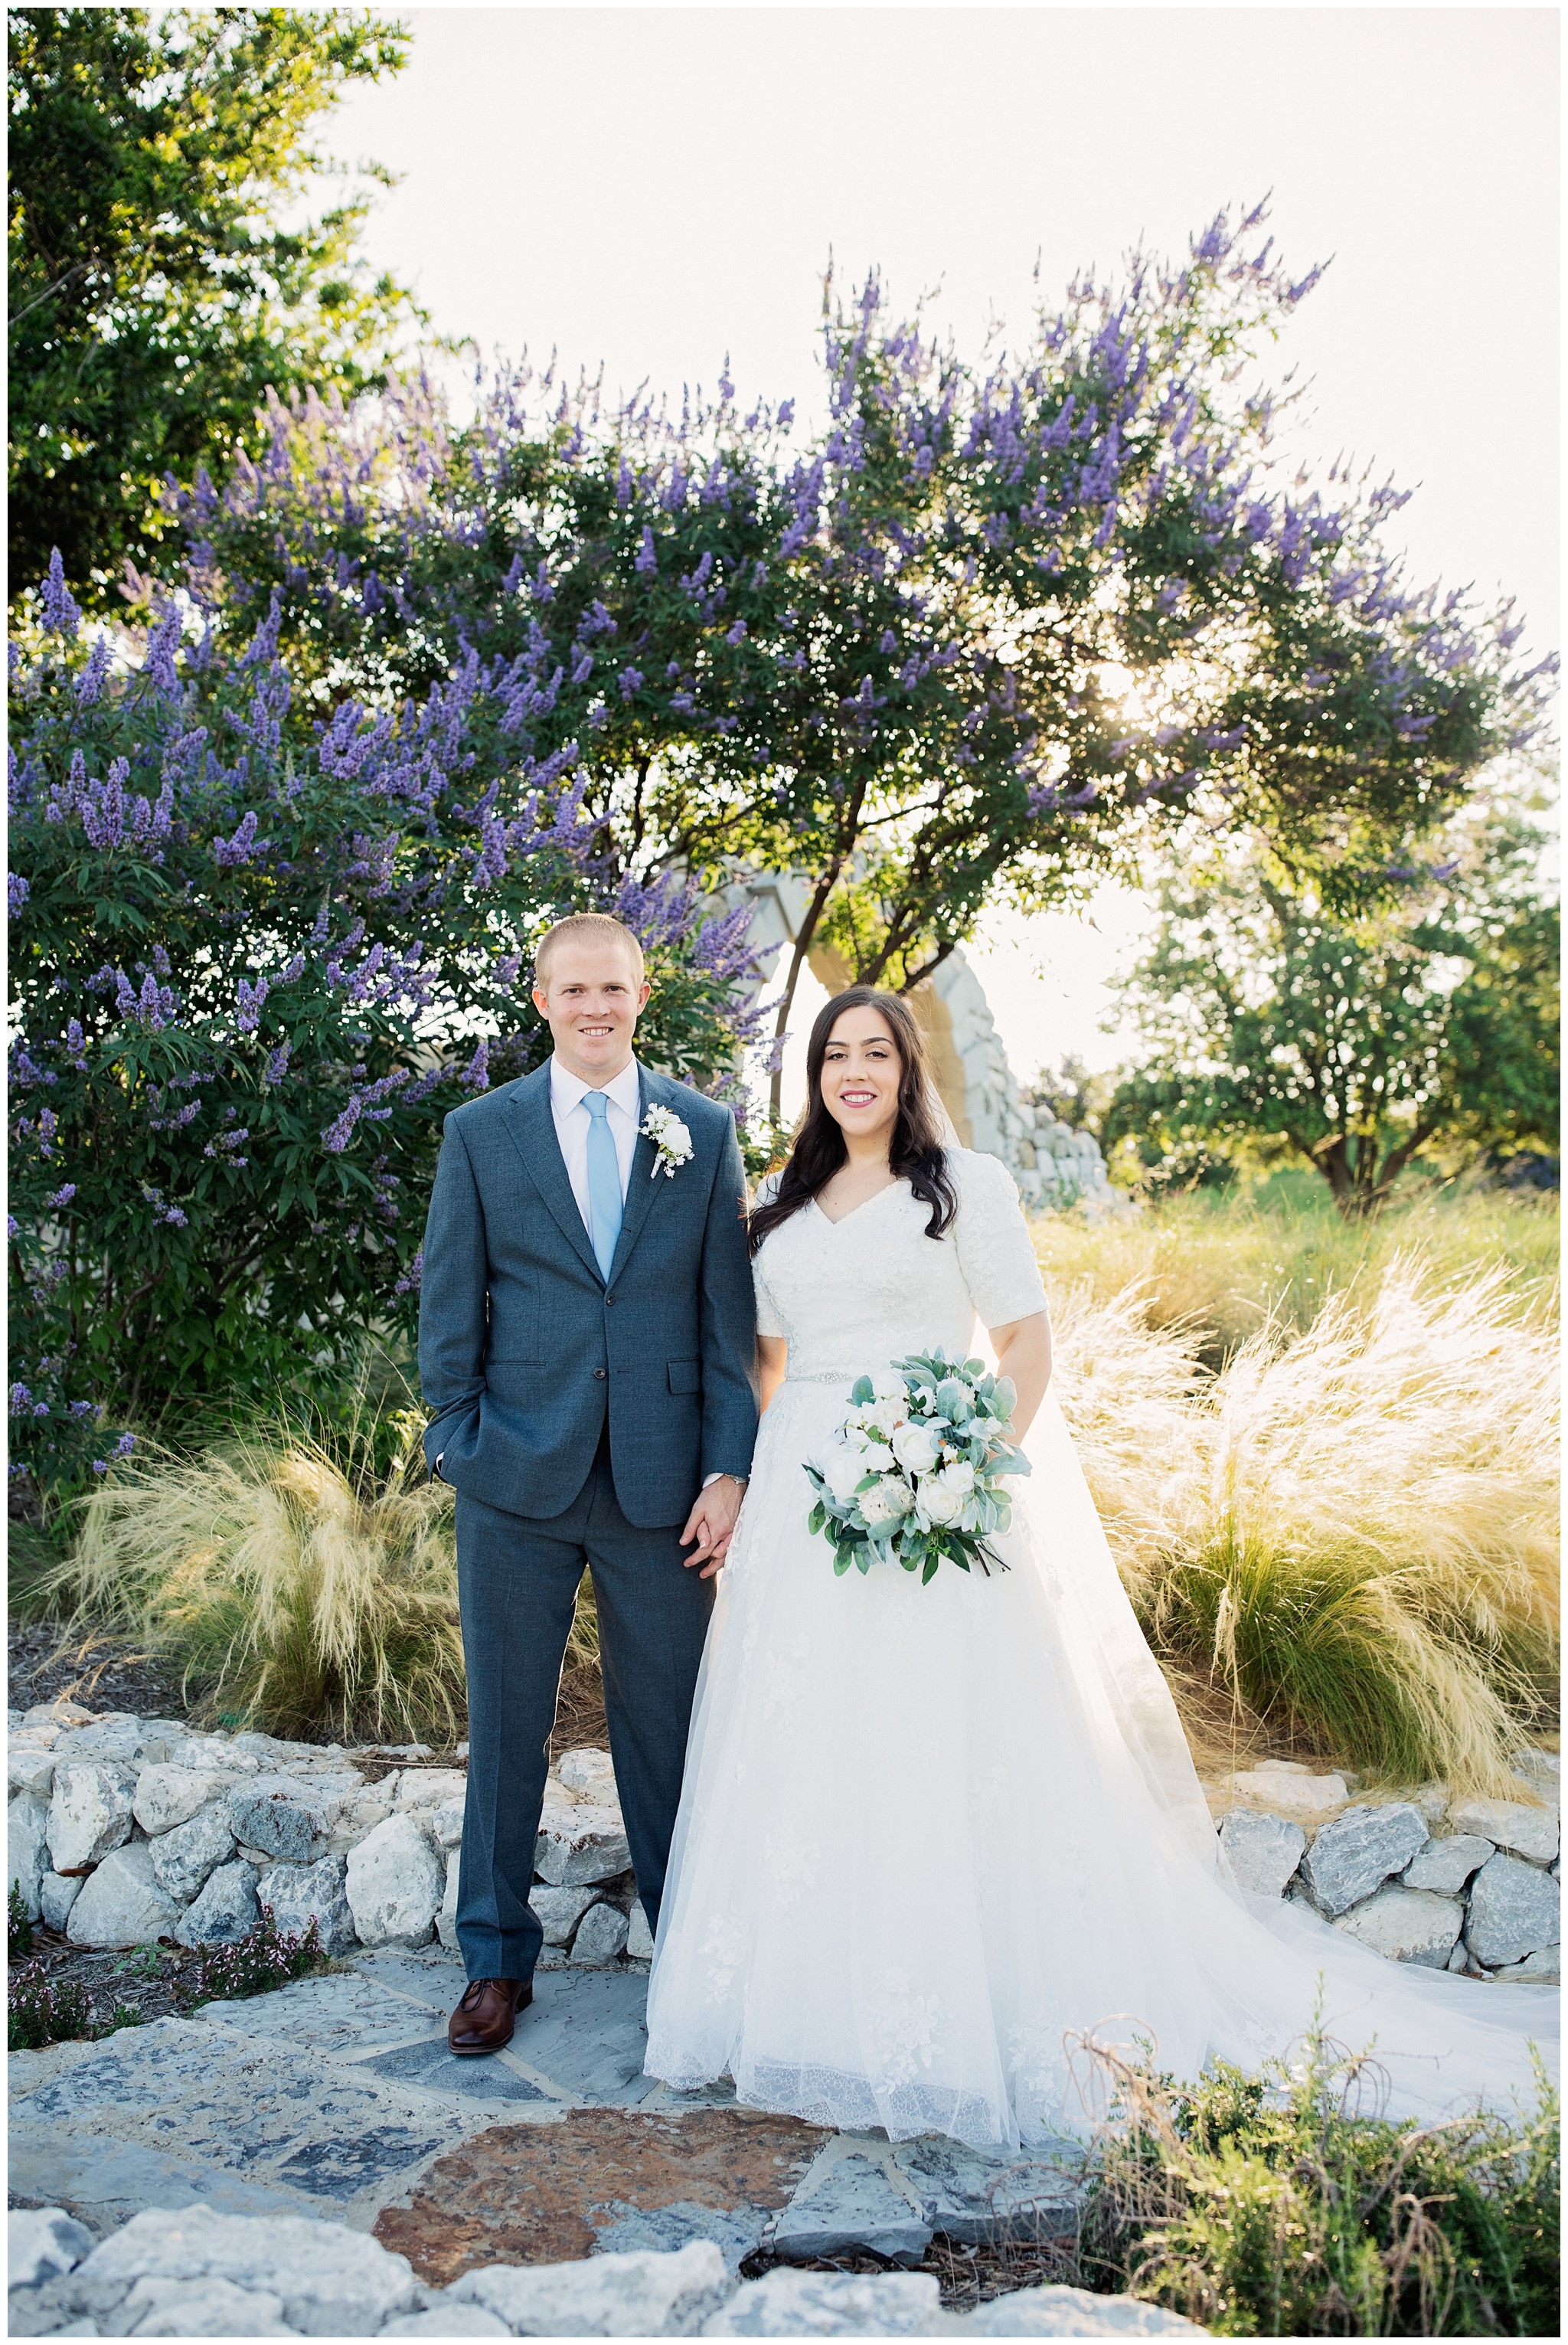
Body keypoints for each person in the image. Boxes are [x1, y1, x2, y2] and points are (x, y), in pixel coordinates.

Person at [644, 985, 1558, 2145]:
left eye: (877, 1050)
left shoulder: (966, 1188)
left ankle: (956, 2011)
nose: (855, 1070)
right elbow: (769, 1367)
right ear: (814, 1075)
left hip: (937, 1502)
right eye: (836, 1054)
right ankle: (813, 2010)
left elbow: (1025, 1343)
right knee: (814, 1747)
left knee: (939, 1743)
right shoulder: (774, 1206)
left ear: (907, 1066)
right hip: (806, 1513)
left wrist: (963, 1465)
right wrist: (779, 1482)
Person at [418, 913, 756, 2055]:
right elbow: (449, 1305)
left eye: (613, 987)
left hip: (663, 1484)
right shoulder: (482, 1132)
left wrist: (728, 1467)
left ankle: (688, 1954)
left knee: (666, 1730)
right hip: (515, 1471)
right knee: (506, 1725)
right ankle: (494, 1963)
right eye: (575, 989)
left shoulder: (702, 1132)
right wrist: (456, 1439)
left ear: (642, 993)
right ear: (542, 1000)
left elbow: (727, 1320)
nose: (595, 1006)